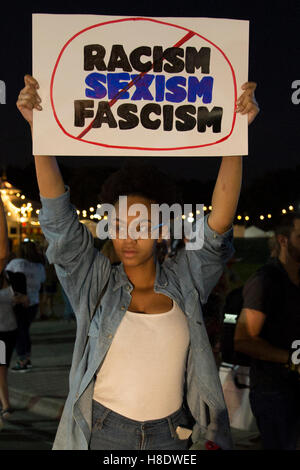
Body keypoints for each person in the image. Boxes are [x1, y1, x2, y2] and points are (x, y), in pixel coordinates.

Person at [16, 74, 259, 450]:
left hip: (172, 436)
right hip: (104, 434)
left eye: (142, 224)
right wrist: (40, 130)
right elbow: (59, 221)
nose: (128, 235)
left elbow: (219, 226)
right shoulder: (95, 281)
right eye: (119, 224)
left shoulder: (185, 280)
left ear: (163, 230)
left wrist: (236, 137)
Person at [234, 212, 300, 449]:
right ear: (283, 240)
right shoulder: (266, 280)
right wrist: (293, 359)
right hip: (275, 392)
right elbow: (243, 340)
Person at [0, 192, 28, 419]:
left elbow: (25, 300)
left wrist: (20, 299)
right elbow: (3, 250)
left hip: (9, 331)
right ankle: (6, 405)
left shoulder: (9, 276)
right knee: (0, 369)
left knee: (3, 368)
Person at [6, 240, 46, 371]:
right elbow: (42, 281)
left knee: (18, 332)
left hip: (18, 301)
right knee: (25, 331)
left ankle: (22, 360)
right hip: (33, 302)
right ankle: (27, 358)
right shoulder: (39, 266)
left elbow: (6, 279)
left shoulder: (16, 264)